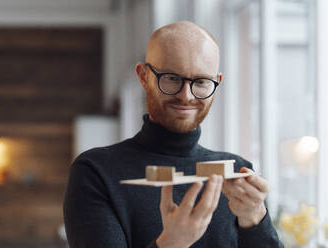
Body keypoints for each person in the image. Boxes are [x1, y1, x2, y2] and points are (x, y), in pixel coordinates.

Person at [63, 21, 283, 248]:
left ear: (217, 82)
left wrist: (256, 218)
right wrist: (172, 243)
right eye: (171, 78)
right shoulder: (96, 172)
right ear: (143, 77)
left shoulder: (237, 173)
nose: (186, 96)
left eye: (200, 82)